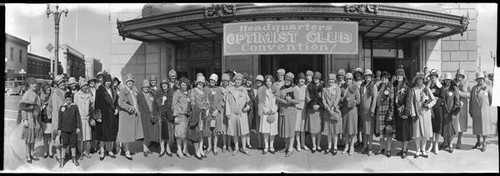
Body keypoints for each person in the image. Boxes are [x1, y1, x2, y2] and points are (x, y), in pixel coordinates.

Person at [408, 72, 436, 158]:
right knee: (417, 133)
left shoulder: (427, 89)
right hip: (417, 114)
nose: (419, 81)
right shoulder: (414, 89)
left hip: (426, 114)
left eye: (421, 79)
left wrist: (428, 105)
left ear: (423, 80)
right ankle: (418, 150)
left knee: (425, 133)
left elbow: (434, 100)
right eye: (418, 79)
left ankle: (423, 149)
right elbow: (411, 102)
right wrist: (413, 113)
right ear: (416, 80)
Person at [116, 74, 143, 160]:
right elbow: (120, 103)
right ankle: (126, 151)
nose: (130, 83)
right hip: (125, 114)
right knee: (125, 134)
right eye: (128, 81)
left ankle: (125, 149)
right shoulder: (123, 90)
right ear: (126, 82)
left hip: (130, 115)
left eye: (131, 81)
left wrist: (136, 110)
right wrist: (130, 108)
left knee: (128, 133)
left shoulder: (132, 90)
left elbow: (135, 102)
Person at [226, 73, 252, 156]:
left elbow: (249, 101)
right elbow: (227, 102)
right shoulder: (230, 90)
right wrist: (228, 113)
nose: (238, 81)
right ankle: (236, 147)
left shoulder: (244, 90)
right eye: (237, 79)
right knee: (235, 132)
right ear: (234, 80)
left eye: (240, 80)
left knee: (243, 132)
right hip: (233, 114)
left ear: (242, 81)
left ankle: (244, 148)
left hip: (242, 114)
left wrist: (247, 108)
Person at [95, 73, 119, 161]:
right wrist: (98, 117)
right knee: (102, 135)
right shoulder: (99, 90)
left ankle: (109, 150)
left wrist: (117, 109)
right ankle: (102, 151)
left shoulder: (113, 90)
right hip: (103, 115)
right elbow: (96, 104)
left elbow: (116, 102)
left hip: (112, 115)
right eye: (107, 81)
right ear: (104, 81)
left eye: (110, 81)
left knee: (111, 134)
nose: (108, 83)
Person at [19, 77, 43, 164]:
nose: (35, 85)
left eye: (35, 83)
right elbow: (23, 108)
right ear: (29, 85)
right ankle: (27, 155)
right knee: (28, 138)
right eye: (33, 84)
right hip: (29, 118)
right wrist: (24, 119)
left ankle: (32, 154)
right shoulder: (27, 94)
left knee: (33, 138)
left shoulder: (36, 94)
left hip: (35, 119)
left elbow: (38, 105)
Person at [276, 72, 300, 157]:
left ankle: (290, 148)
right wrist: (283, 101)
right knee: (285, 130)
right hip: (283, 112)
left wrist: (290, 100)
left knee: (290, 130)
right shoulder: (281, 88)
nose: (286, 81)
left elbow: (297, 100)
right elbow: (277, 97)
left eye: (288, 80)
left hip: (291, 112)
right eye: (285, 79)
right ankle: (286, 146)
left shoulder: (295, 88)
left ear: (291, 80)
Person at [469, 72, 494, 152]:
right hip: (476, 111)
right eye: (478, 79)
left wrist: (486, 106)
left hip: (484, 111)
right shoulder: (474, 88)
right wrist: (471, 110)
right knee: (477, 127)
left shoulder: (488, 88)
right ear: (476, 80)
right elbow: (471, 100)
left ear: (483, 80)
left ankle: (484, 142)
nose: (480, 81)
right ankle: (478, 142)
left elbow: (491, 99)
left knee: (484, 128)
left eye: (481, 79)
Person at [137, 79, 161, 157]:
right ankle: (145, 148)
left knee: (149, 133)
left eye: (147, 87)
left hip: (151, 115)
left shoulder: (151, 94)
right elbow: (136, 105)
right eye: (145, 87)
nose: (146, 88)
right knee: (144, 133)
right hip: (143, 116)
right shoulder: (139, 95)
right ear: (142, 87)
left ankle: (146, 147)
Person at [57, 91, 82, 168]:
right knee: (64, 145)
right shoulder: (62, 107)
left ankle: (74, 158)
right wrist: (59, 129)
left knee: (73, 144)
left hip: (73, 130)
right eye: (67, 99)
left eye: (70, 99)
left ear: (72, 99)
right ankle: (62, 160)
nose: (68, 101)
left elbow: (78, 118)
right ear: (65, 99)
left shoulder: (75, 107)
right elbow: (60, 119)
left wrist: (78, 127)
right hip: (64, 130)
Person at [188, 74, 210, 160]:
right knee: (196, 133)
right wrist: (200, 108)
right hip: (196, 115)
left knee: (201, 133)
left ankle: (201, 150)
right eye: (199, 82)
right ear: (196, 83)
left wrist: (207, 109)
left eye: (202, 83)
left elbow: (207, 103)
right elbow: (192, 103)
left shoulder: (204, 92)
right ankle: (197, 151)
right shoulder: (193, 91)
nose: (200, 84)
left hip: (203, 115)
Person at [374, 71, 395, 158]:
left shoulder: (390, 87)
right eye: (383, 78)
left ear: (388, 79)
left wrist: (390, 114)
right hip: (379, 113)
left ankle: (389, 149)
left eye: (385, 78)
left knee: (388, 132)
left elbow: (392, 102)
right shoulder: (378, 87)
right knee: (381, 132)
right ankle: (381, 148)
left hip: (387, 113)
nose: (384, 79)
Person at [321, 73, 342, 155]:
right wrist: (327, 107)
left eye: (332, 80)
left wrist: (333, 107)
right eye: (329, 80)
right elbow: (323, 99)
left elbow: (338, 98)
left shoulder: (337, 89)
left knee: (335, 131)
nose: (331, 81)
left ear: (335, 80)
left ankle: (335, 147)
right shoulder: (324, 89)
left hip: (335, 111)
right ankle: (329, 146)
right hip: (327, 112)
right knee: (329, 131)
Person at [393, 68, 412, 159]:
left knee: (405, 133)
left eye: (400, 75)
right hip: (397, 112)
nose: (399, 77)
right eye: (397, 75)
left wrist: (406, 113)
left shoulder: (407, 86)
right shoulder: (395, 86)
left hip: (404, 113)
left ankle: (404, 151)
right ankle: (403, 148)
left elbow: (408, 101)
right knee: (400, 133)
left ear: (403, 76)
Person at [440, 72, 461, 154]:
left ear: (451, 80)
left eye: (448, 80)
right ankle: (445, 143)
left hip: (452, 112)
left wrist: (454, 112)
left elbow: (457, 101)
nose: (447, 81)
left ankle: (451, 144)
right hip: (443, 112)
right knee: (445, 128)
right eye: (446, 80)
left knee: (452, 129)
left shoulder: (454, 88)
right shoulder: (442, 88)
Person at [258, 75, 279, 154]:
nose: (268, 82)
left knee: (272, 131)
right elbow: (260, 102)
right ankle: (266, 147)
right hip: (265, 113)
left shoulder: (275, 90)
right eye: (266, 81)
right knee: (266, 131)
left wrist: (274, 109)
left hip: (273, 113)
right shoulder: (261, 90)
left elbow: (278, 101)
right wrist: (266, 110)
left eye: (269, 81)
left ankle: (271, 146)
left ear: (272, 82)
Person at [339, 73, 360, 155]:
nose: (348, 81)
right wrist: (343, 99)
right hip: (345, 110)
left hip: (352, 110)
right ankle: (346, 146)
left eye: (350, 79)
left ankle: (352, 146)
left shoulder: (355, 88)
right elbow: (339, 98)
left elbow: (358, 100)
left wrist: (351, 101)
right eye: (347, 79)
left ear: (352, 80)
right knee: (346, 129)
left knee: (352, 129)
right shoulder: (342, 88)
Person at [74, 78, 93, 160]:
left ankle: (87, 152)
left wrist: (90, 116)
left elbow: (92, 106)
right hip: (80, 119)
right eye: (84, 86)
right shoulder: (76, 95)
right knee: (80, 138)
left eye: (86, 85)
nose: (85, 87)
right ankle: (81, 153)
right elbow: (75, 108)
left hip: (87, 119)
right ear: (80, 86)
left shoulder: (89, 95)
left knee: (88, 137)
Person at [359, 69, 378, 156]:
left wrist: (372, 109)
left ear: (371, 77)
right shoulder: (362, 85)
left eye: (369, 76)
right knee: (364, 130)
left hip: (370, 111)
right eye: (366, 76)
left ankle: (370, 147)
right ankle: (365, 145)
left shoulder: (373, 85)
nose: (368, 78)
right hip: (363, 111)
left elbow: (374, 98)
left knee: (369, 130)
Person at [172, 78, 192, 159]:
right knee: (179, 135)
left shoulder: (189, 92)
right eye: (182, 85)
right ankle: (179, 150)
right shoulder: (177, 93)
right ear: (180, 85)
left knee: (185, 135)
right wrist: (175, 116)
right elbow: (174, 104)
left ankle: (185, 150)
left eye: (185, 85)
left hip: (187, 117)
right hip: (179, 116)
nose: (184, 86)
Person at [426, 69, 444, 155]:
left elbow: (442, 98)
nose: (433, 78)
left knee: (436, 128)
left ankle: (436, 144)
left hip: (437, 109)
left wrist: (435, 103)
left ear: (437, 77)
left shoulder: (440, 87)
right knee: (430, 128)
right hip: (429, 109)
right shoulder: (428, 86)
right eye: (431, 76)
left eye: (434, 76)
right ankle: (430, 144)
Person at [305, 71, 324, 153]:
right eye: (314, 78)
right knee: (313, 129)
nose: (315, 79)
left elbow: (324, 97)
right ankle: (314, 145)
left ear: (319, 79)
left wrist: (319, 105)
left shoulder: (323, 86)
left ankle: (318, 145)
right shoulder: (309, 86)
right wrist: (312, 105)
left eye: (317, 78)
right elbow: (307, 97)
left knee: (319, 129)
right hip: (312, 109)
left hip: (320, 110)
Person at [50, 75, 67, 163]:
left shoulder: (67, 92)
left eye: (63, 82)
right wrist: (58, 123)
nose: (62, 84)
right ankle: (58, 154)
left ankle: (63, 154)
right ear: (57, 84)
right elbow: (55, 110)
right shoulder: (55, 94)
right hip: (58, 120)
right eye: (60, 83)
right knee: (58, 138)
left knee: (64, 139)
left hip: (67, 119)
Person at [156, 78, 175, 157]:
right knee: (161, 133)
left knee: (168, 133)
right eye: (162, 84)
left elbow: (173, 104)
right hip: (161, 115)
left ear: (168, 84)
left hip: (168, 115)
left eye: (165, 84)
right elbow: (155, 105)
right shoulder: (158, 93)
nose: (164, 85)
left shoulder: (171, 93)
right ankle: (162, 148)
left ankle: (168, 148)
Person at [214, 73, 231, 154]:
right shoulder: (219, 89)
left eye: (226, 81)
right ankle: (224, 145)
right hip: (222, 111)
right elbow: (217, 99)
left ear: (228, 81)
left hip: (230, 110)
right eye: (223, 81)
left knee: (230, 128)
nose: (225, 82)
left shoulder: (231, 89)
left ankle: (229, 145)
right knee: (224, 128)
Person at [454, 69, 470, 149]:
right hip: (453, 104)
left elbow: (468, 94)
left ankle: (459, 140)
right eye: (458, 75)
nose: (459, 77)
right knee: (451, 122)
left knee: (461, 123)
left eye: (461, 76)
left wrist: (459, 93)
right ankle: (448, 140)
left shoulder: (466, 83)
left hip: (462, 105)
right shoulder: (452, 82)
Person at [205, 73, 219, 155]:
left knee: (215, 131)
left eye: (214, 80)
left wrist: (217, 110)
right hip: (207, 113)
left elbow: (221, 101)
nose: (212, 81)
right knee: (208, 131)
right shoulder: (206, 89)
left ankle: (215, 147)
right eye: (211, 80)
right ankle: (209, 146)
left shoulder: (218, 90)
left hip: (215, 113)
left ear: (216, 81)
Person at [294, 72, 308, 152]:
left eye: (303, 79)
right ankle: (298, 144)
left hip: (304, 110)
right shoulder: (295, 88)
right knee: (297, 128)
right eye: (300, 79)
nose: (302, 80)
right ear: (298, 80)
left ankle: (303, 144)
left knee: (303, 128)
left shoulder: (306, 87)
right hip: (297, 110)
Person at [40, 83, 54, 159]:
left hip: (51, 118)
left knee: (51, 136)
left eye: (49, 88)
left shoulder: (52, 96)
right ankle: (46, 151)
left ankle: (50, 151)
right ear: (44, 89)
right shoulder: (41, 98)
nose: (49, 89)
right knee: (45, 136)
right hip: (43, 118)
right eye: (47, 88)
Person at [352, 67, 364, 148]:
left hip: (363, 106)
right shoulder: (353, 83)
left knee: (362, 124)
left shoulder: (363, 83)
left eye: (359, 74)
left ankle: (363, 141)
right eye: (356, 74)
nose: (358, 75)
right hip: (356, 106)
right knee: (356, 124)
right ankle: (357, 140)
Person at [244, 74, 256, 149]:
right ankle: (242, 141)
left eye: (250, 81)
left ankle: (248, 141)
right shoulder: (242, 88)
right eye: (248, 80)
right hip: (243, 109)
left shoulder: (252, 90)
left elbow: (254, 100)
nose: (249, 82)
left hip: (250, 110)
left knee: (248, 126)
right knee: (242, 126)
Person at [254, 75, 265, 150]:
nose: (258, 82)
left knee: (263, 127)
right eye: (257, 81)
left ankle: (264, 143)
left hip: (263, 109)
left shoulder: (264, 88)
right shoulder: (254, 89)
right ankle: (259, 143)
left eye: (260, 81)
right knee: (258, 128)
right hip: (256, 109)